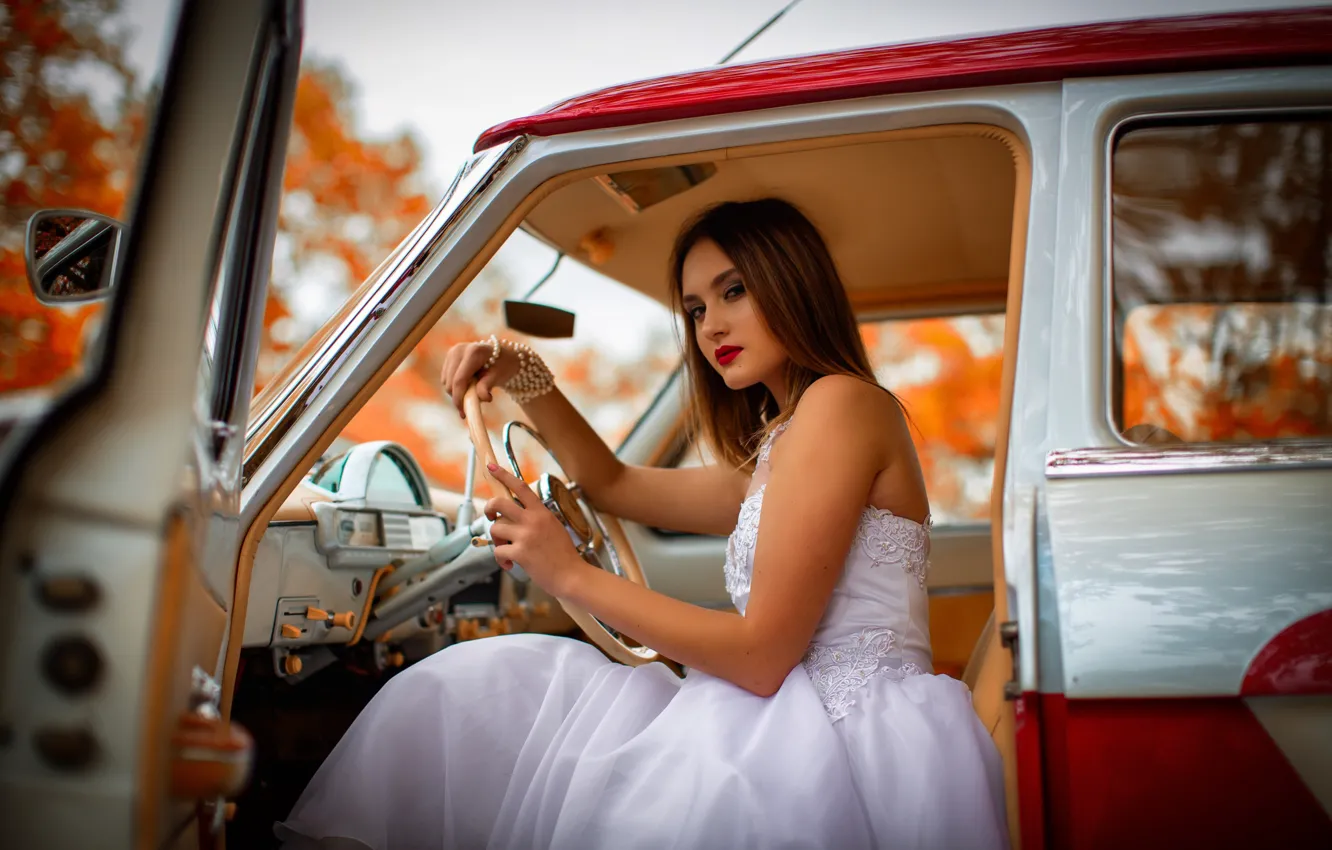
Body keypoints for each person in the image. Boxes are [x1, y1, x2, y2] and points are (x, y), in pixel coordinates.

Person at [276, 198, 1010, 849]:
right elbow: (613, 482)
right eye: (694, 309)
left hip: (835, 740)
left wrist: (569, 574)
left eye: (734, 290)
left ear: (794, 282)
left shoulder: (842, 406)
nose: (710, 325)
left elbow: (761, 656)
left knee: (472, 694)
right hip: (789, 715)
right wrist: (520, 368)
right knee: (482, 688)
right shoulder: (784, 444)